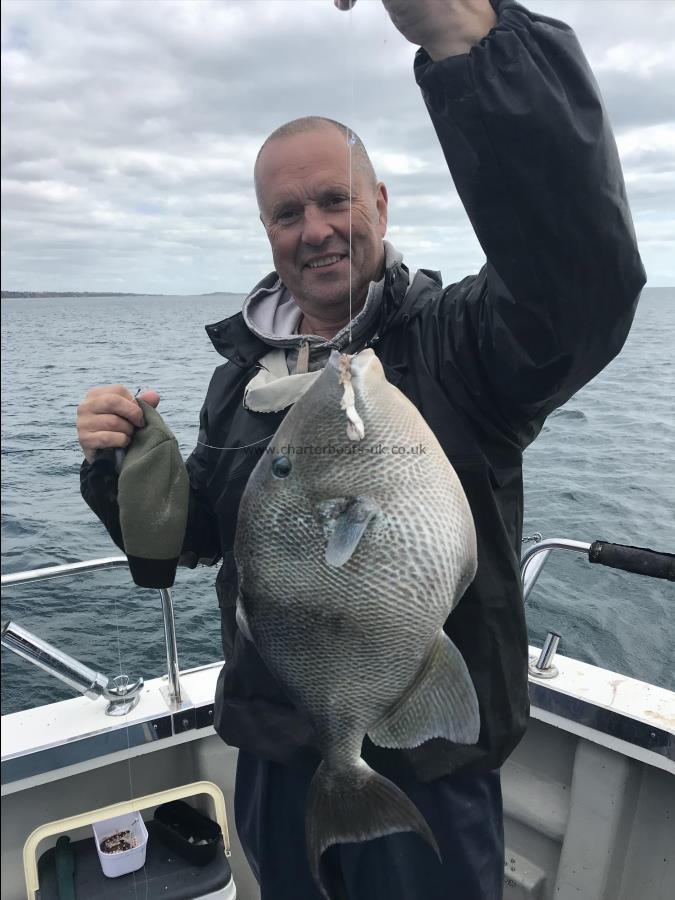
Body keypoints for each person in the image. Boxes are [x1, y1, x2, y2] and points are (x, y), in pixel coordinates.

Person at [76, 0, 646, 897]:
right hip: (275, 744)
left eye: (335, 199)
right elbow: (200, 538)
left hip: (432, 766)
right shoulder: (241, 378)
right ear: (266, 232)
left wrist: (468, 40)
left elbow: (580, 282)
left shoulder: (461, 343)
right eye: (287, 212)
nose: (314, 230)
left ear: (378, 202)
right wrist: (118, 467)